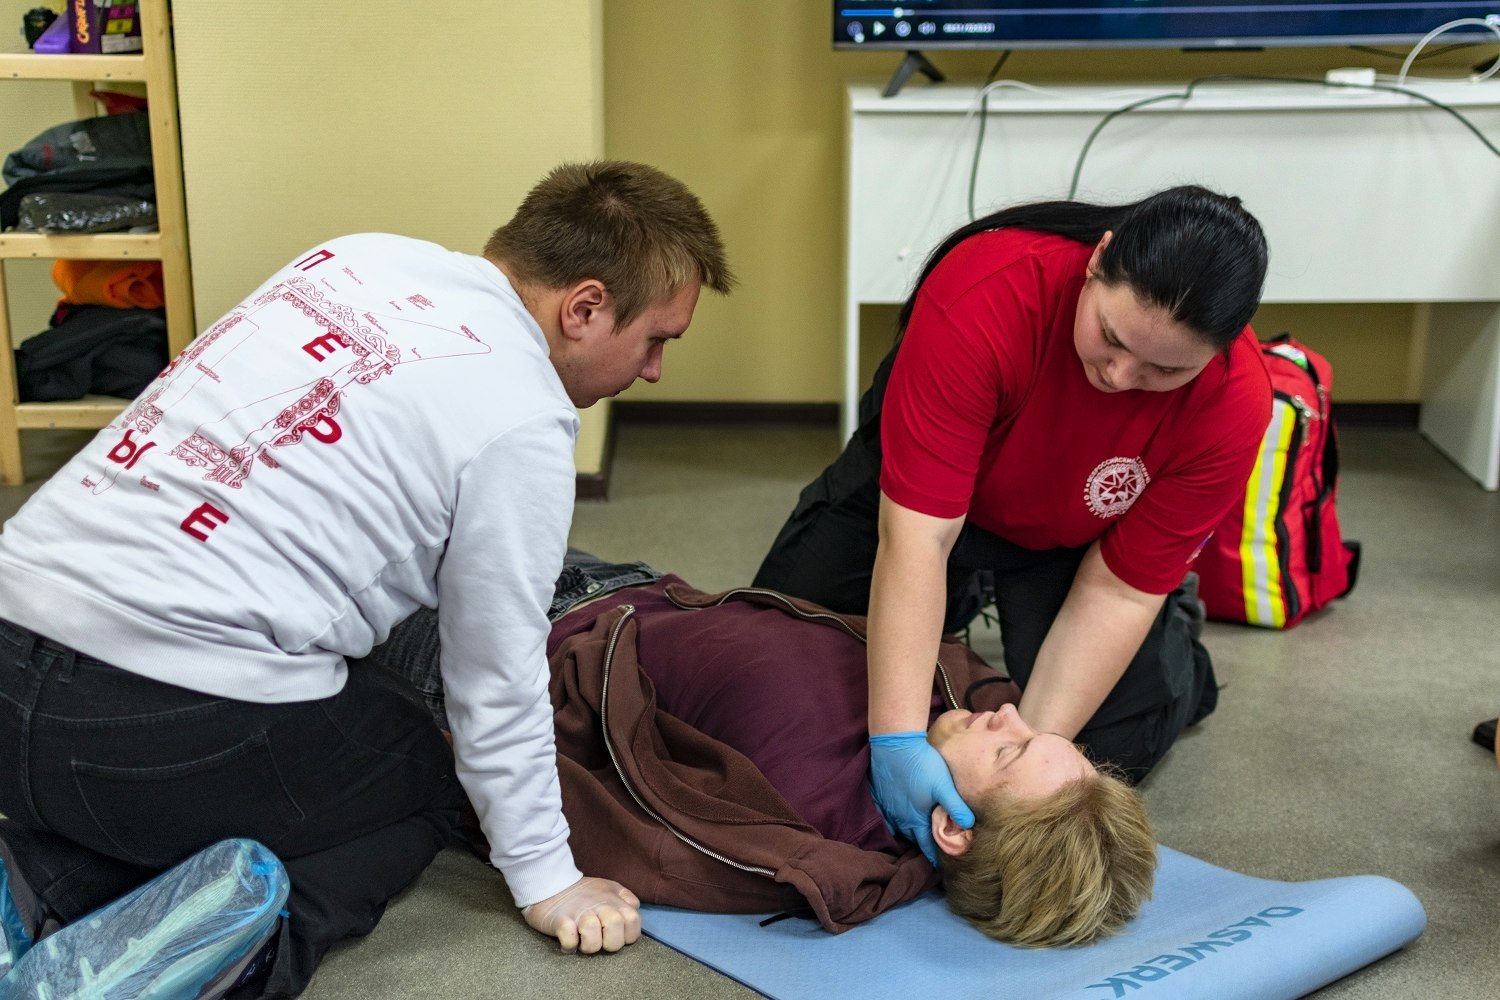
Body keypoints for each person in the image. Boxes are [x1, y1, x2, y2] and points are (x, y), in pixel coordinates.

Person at [0, 161, 732, 997]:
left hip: (10, 656)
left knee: (347, 707)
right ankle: (189, 967)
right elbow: (494, 681)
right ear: (586, 307)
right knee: (421, 773)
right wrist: (547, 881)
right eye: (656, 341)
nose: (654, 372)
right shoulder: (524, 418)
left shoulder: (356, 258)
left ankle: (28, 880)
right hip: (141, 727)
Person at [753, 185, 1272, 865]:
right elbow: (918, 538)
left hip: (1077, 539)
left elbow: (1118, 593)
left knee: (1103, 756)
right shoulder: (989, 289)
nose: (1119, 376)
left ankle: (1178, 658)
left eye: (1163, 369)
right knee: (776, 677)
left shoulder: (1235, 402)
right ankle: (961, 592)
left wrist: (1019, 763)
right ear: (1099, 261)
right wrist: (898, 741)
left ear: (1217, 353)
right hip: (921, 507)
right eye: (1111, 338)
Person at [369, 551, 1157, 948]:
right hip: (624, 581)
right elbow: (979, 684)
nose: (1010, 716)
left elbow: (643, 834)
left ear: (952, 828)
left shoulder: (794, 826)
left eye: (1012, 753)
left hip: (492, 646)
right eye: (1033, 730)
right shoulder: (946, 719)